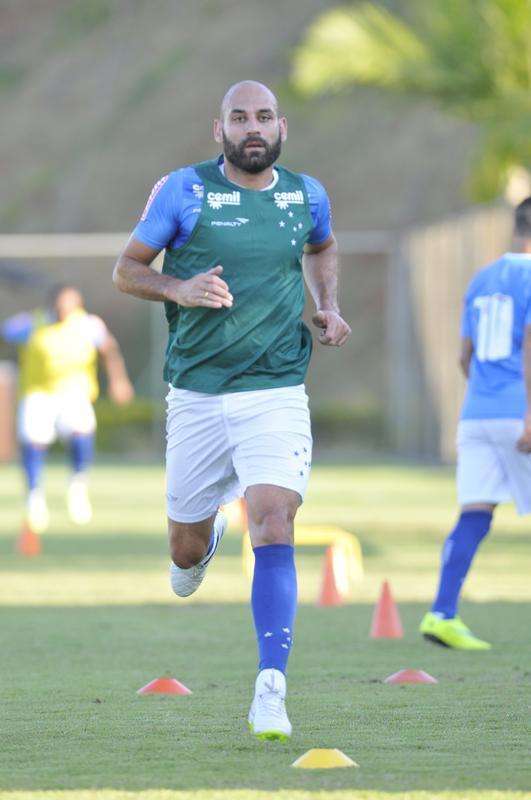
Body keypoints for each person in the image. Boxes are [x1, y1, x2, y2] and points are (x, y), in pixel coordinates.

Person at [113, 80, 351, 739]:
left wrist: (326, 304)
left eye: (265, 116)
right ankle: (204, 540)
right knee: (183, 559)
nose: (254, 127)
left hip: (274, 390)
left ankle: (269, 689)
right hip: (195, 394)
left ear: (281, 128)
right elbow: (126, 269)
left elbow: (322, 245)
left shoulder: (306, 195)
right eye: (240, 117)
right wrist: (178, 286)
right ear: (217, 129)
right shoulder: (181, 191)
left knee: (273, 521)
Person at [420, 197, 531, 650]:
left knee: (474, 514)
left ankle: (442, 613)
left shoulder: (483, 278)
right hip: (519, 412)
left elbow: (464, 357)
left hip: (477, 414)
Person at [1, 284, 134, 532]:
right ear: (52, 304)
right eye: (62, 304)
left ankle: (77, 487)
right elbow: (5, 333)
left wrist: (118, 380)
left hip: (75, 394)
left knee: (81, 434)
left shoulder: (89, 325)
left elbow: (109, 350)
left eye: (72, 304)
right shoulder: (31, 323)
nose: (66, 309)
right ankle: (34, 498)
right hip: (38, 394)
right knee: (33, 443)